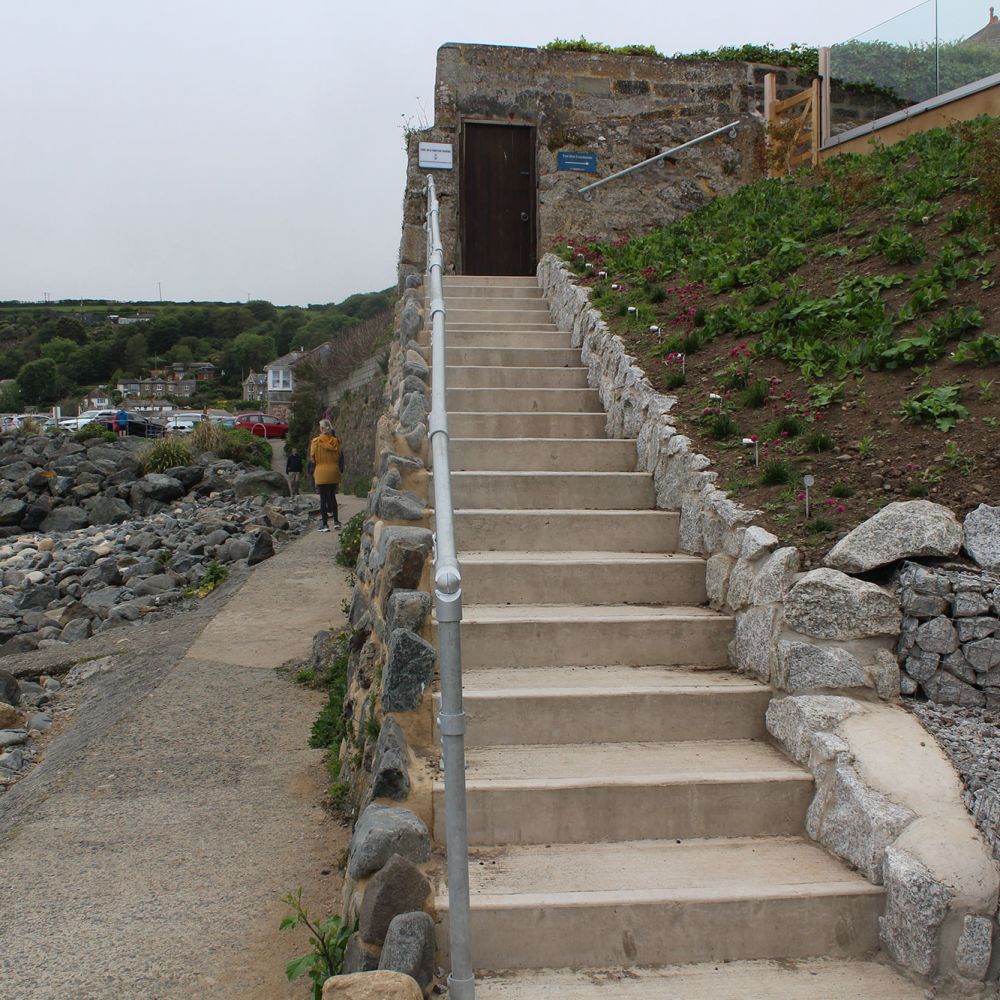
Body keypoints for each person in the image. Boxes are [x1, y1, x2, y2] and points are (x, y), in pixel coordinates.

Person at [309, 419, 343, 531]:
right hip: (334, 471)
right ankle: (336, 522)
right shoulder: (336, 442)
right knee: (332, 497)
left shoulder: (316, 442)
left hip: (321, 471)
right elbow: (339, 456)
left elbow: (313, 459)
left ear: (322, 429)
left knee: (323, 499)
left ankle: (324, 524)